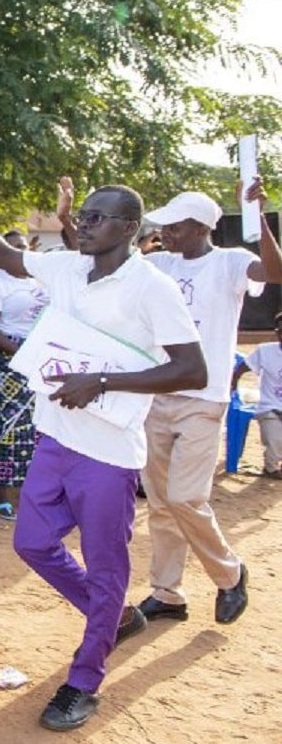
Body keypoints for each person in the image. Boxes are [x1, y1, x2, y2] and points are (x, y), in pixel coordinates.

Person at [0, 143, 206, 731]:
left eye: (96, 217)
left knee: (108, 567)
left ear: (130, 228)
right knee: (32, 544)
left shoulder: (151, 288)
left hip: (110, 454)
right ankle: (107, 615)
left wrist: (104, 380)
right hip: (54, 438)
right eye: (82, 215)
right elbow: (1, 255)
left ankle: (84, 680)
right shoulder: (65, 266)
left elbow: (192, 370)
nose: (82, 224)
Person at [130, 180, 282, 626]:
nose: (166, 234)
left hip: (204, 398)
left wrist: (258, 219)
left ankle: (230, 574)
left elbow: (275, 274)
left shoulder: (231, 263)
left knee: (185, 498)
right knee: (160, 503)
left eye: (174, 226)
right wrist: (68, 223)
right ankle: (167, 593)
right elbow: (108, 265)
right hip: (157, 395)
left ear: (199, 227)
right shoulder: (158, 262)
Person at [0, 229, 49, 520]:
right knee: (11, 428)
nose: (19, 252)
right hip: (11, 360)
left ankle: (35, 494)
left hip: (44, 358)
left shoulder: (42, 280)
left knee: (42, 428)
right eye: (12, 248)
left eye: (23, 247)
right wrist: (25, 356)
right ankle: (2, 494)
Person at [232, 312, 282, 478]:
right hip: (271, 407)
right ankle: (271, 468)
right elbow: (239, 370)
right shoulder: (266, 351)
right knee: (275, 441)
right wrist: (232, 391)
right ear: (277, 332)